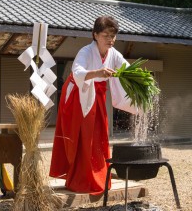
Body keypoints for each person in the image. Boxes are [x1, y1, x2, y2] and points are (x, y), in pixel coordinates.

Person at [49, 16, 138, 194]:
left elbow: (127, 70)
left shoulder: (114, 54)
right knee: (82, 136)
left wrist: (141, 80)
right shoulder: (86, 51)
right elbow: (78, 71)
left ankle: (99, 176)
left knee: (99, 134)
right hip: (77, 97)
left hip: (97, 95)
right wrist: (98, 72)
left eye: (113, 36)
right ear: (95, 35)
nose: (110, 40)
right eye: (106, 35)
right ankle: (81, 179)